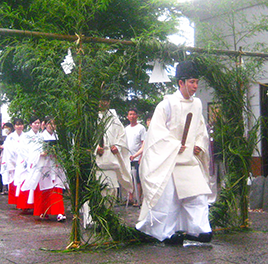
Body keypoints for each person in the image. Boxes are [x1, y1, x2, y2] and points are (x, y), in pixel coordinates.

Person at [136, 61, 214, 245]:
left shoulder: (197, 104)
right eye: (192, 82)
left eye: (197, 82)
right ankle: (163, 232)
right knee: (167, 199)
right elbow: (156, 132)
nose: (195, 86)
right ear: (181, 82)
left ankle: (200, 230)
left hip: (188, 161)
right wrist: (173, 145)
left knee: (198, 196)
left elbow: (201, 129)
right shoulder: (166, 104)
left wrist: (198, 144)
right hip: (169, 161)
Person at [83, 97, 133, 228]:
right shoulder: (90, 118)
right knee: (95, 193)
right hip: (96, 165)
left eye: (106, 100)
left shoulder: (114, 119)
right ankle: (92, 220)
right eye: (101, 99)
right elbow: (84, 139)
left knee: (110, 192)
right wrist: (95, 149)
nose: (103, 102)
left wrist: (118, 146)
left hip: (111, 162)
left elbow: (122, 137)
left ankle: (106, 219)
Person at [21, 118, 67, 221]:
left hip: (55, 165)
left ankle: (60, 212)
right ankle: (44, 210)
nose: (52, 126)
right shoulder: (40, 137)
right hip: (44, 166)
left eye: (54, 124)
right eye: (49, 124)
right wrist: (41, 154)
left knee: (57, 188)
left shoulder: (58, 136)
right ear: (45, 125)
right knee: (44, 190)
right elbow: (32, 152)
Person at [125, 108, 146, 206]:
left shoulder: (141, 128)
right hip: (128, 157)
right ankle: (130, 198)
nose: (132, 116)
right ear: (127, 116)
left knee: (137, 179)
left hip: (137, 158)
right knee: (129, 178)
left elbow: (144, 144)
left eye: (134, 114)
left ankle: (138, 199)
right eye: (130, 114)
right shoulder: (126, 129)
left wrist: (139, 156)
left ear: (137, 116)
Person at [1, 119, 24, 204]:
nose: (19, 126)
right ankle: (15, 200)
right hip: (13, 161)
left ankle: (22, 201)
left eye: (21, 124)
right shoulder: (10, 137)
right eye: (17, 125)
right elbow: (8, 150)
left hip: (23, 161)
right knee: (13, 181)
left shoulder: (25, 136)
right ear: (14, 126)